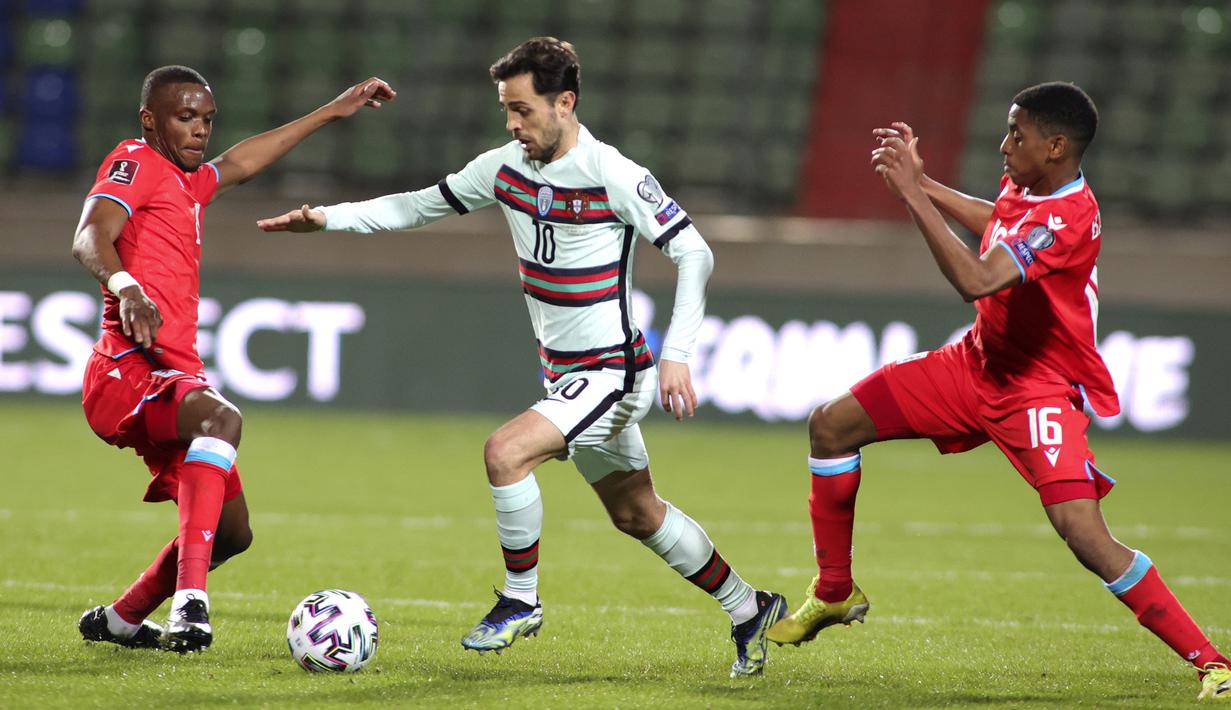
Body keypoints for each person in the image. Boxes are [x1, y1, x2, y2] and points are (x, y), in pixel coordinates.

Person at [257, 37, 786, 678]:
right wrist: (328, 219)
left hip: (613, 371)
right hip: (567, 374)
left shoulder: (614, 173)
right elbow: (416, 205)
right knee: (636, 512)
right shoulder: (503, 167)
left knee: (504, 452)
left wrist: (676, 354)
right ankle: (749, 608)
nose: (512, 124)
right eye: (506, 110)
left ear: (565, 102)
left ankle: (520, 600)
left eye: (523, 110)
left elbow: (695, 252)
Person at [766, 82, 1230, 701]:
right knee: (831, 425)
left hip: (1036, 390)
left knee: (1084, 534)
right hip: (974, 364)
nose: (1004, 144)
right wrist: (925, 183)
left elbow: (978, 279)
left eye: (1017, 134)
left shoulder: (1069, 218)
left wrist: (912, 197)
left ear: (1057, 146)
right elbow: (1000, 221)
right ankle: (833, 590)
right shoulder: (1030, 185)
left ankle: (1213, 662)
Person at [73, 65, 396, 653]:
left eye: (207, 120)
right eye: (185, 117)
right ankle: (191, 605)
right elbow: (90, 233)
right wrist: (126, 285)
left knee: (231, 533)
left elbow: (243, 162)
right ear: (150, 120)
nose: (199, 131)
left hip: (173, 376)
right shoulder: (134, 161)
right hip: (125, 373)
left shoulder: (187, 182)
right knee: (222, 419)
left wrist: (332, 110)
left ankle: (121, 619)